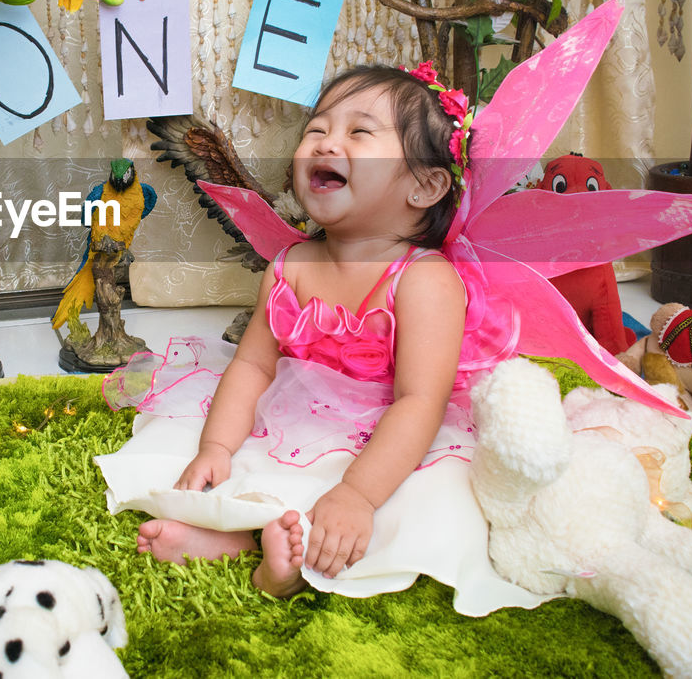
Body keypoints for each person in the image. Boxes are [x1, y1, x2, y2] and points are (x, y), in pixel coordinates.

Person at [94, 63, 549, 616]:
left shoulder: (426, 280)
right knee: (194, 449)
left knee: (439, 501)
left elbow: (419, 402)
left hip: (392, 439)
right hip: (296, 418)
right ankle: (237, 539)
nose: (327, 142)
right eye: (317, 130)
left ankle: (281, 551)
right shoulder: (290, 264)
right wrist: (217, 447)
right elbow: (253, 368)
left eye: (359, 133)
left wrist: (358, 493)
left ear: (424, 185)